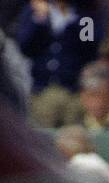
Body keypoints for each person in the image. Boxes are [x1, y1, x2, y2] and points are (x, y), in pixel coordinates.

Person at [15, 0, 99, 128]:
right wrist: (40, 19)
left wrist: (74, 24)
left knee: (74, 136)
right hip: (44, 91)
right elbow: (25, 46)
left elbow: (90, 50)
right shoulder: (35, 11)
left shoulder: (84, 15)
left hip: (73, 92)